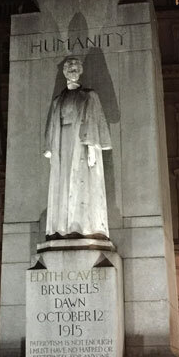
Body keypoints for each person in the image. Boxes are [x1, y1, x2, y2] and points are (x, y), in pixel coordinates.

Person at [43, 56, 112, 238]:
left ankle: (82, 226)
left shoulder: (90, 95)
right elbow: (52, 125)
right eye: (69, 67)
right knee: (63, 183)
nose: (72, 70)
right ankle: (62, 227)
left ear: (80, 71)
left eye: (75, 67)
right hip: (62, 143)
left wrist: (91, 147)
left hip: (81, 142)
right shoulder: (58, 100)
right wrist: (50, 147)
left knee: (81, 183)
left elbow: (94, 121)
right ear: (65, 72)